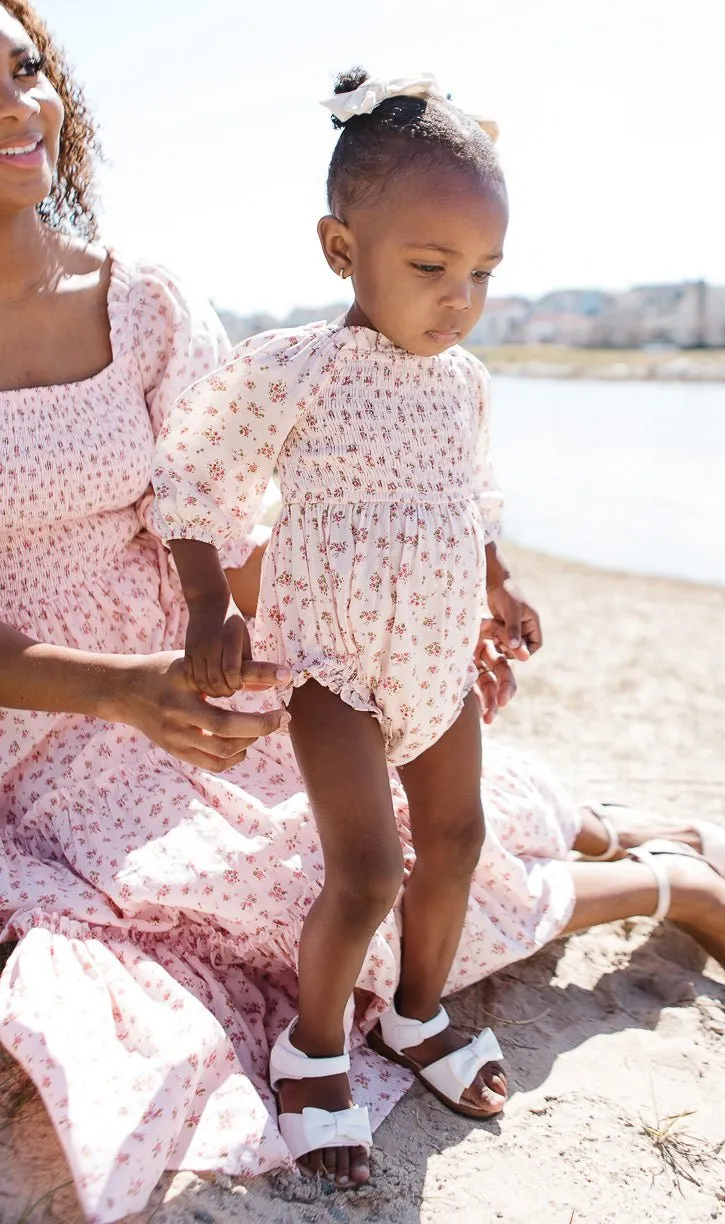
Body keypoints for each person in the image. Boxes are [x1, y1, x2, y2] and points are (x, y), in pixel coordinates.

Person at [0, 6, 725, 1219]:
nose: (16, 105)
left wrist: (422, 608)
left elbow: (257, 510)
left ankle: (613, 838)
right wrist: (124, 690)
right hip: (56, 715)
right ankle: (668, 886)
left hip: (223, 663)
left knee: (428, 824)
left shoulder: (149, 305)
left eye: (21, 67)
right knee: (295, 891)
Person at [151, 66, 543, 1173]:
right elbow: (190, 479)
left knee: (460, 840)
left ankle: (417, 1013)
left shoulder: (464, 383)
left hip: (434, 662)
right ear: (342, 250)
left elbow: (473, 497)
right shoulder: (297, 372)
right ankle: (313, 1045)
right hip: (332, 664)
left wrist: (497, 585)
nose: (457, 296)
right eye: (430, 267)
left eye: (482, 272)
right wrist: (209, 599)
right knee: (368, 872)